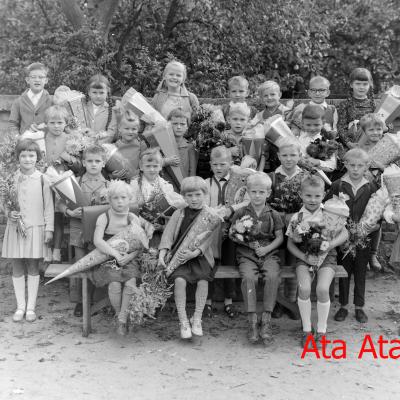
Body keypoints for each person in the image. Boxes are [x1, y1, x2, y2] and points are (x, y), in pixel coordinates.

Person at [287, 174, 348, 347]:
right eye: (308, 195)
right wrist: (304, 257)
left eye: (317, 196)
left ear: (323, 195)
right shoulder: (297, 217)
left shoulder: (329, 213)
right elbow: (291, 244)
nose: (312, 199)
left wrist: (330, 245)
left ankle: (321, 330)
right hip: (304, 257)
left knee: (322, 289)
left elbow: (345, 233)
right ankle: (307, 330)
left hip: (327, 256)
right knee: (304, 288)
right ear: (301, 195)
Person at [158, 177, 221, 339]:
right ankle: (183, 320)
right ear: (184, 196)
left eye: (198, 195)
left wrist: (195, 253)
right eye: (189, 195)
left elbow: (208, 240)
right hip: (179, 256)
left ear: (205, 194)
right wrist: (162, 254)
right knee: (179, 281)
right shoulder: (179, 213)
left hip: (200, 257)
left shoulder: (210, 215)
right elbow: (168, 236)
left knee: (203, 281)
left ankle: (197, 318)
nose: (194, 199)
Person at [2, 139, 54, 322]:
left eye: (31, 155)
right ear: (17, 157)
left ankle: (30, 307)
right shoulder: (11, 178)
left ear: (37, 157)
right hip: (16, 228)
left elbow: (49, 206)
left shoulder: (43, 179)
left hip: (35, 228)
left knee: (33, 265)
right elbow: (4, 202)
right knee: (17, 265)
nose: (27, 159)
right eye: (23, 155)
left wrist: (49, 229)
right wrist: (9, 213)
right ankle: (20, 306)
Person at [229, 172, 284, 344]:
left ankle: (266, 320)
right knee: (248, 278)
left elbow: (279, 238)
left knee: (272, 276)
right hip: (247, 254)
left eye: (261, 192)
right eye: (253, 192)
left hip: (269, 254)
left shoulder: (273, 214)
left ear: (268, 193)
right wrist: (247, 243)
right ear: (248, 192)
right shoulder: (241, 213)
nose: (257, 195)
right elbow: (232, 234)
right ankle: (252, 320)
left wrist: (266, 248)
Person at [325, 148, 378, 324]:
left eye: (360, 166)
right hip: (342, 237)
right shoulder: (337, 185)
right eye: (352, 165)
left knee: (361, 272)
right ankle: (344, 305)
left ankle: (359, 307)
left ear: (366, 166)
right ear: (345, 164)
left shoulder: (371, 187)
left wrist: (373, 227)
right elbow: (327, 208)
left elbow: (377, 210)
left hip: (364, 237)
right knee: (344, 271)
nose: (355, 169)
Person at [93, 180, 154, 335]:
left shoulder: (132, 218)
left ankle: (122, 319)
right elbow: (98, 241)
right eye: (115, 198)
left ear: (130, 199)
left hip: (129, 258)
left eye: (123, 197)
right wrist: (115, 254)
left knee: (130, 283)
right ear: (109, 199)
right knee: (114, 284)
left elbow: (140, 243)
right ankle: (118, 313)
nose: (120, 201)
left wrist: (130, 256)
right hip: (108, 257)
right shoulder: (104, 217)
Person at [58, 144, 109, 317]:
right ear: (84, 163)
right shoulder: (75, 181)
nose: (93, 164)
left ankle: (95, 299)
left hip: (99, 231)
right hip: (78, 229)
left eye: (97, 161)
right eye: (90, 161)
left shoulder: (109, 184)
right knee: (81, 264)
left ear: (103, 163)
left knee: (97, 263)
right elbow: (60, 203)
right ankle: (82, 301)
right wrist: (69, 212)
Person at [204, 146, 250, 319]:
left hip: (232, 230)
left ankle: (229, 301)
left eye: (222, 164)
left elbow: (247, 202)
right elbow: (202, 203)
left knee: (230, 263)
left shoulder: (240, 183)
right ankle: (207, 301)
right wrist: (213, 212)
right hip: (211, 231)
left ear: (230, 163)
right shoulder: (206, 183)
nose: (218, 168)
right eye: (215, 164)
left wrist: (232, 209)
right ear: (210, 164)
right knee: (209, 264)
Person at [268, 139, 305, 318]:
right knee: (279, 265)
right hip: (277, 230)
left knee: (294, 265)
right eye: (284, 155)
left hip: (298, 230)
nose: (289, 159)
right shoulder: (272, 177)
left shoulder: (305, 177)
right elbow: (266, 204)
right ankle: (280, 303)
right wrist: (282, 217)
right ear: (278, 156)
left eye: (293, 155)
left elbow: (311, 203)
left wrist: (297, 217)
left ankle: (291, 301)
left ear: (300, 156)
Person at [43, 105, 81, 262]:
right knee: (46, 216)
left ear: (66, 123)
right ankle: (46, 250)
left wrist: (68, 159)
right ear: (46, 123)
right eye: (52, 123)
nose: (56, 126)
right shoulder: (42, 138)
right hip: (44, 181)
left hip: (62, 182)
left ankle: (57, 251)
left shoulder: (70, 139)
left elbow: (79, 165)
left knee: (58, 216)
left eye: (60, 122)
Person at [130, 148, 186, 247]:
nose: (152, 169)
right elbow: (130, 208)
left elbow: (174, 206)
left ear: (160, 167)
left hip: (162, 228)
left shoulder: (165, 185)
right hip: (142, 228)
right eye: (148, 166)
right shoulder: (135, 184)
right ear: (141, 167)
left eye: (155, 166)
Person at [358, 113, 386, 271]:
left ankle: (373, 254)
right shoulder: (360, 149)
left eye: (378, 129)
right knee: (364, 219)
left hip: (383, 189)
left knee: (377, 222)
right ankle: (361, 253)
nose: (375, 132)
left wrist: (382, 167)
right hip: (365, 189)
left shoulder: (389, 146)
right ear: (364, 131)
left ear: (383, 129)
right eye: (371, 130)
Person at [250, 81, 292, 172]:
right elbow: (252, 128)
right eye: (265, 96)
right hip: (265, 152)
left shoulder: (287, 112)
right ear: (261, 98)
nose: (269, 98)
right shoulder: (259, 115)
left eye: (272, 94)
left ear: (279, 95)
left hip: (285, 149)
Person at [8, 62, 53, 135]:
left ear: (46, 80)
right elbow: (13, 124)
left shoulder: (52, 101)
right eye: (33, 77)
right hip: (25, 141)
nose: (37, 80)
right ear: (27, 80)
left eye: (41, 77)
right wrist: (17, 138)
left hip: (46, 140)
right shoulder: (18, 102)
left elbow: (57, 122)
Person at [337, 68, 375, 151]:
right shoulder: (344, 104)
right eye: (358, 84)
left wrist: (386, 127)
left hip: (370, 145)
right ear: (351, 84)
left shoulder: (374, 105)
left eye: (365, 84)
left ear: (370, 85)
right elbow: (341, 127)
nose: (361, 87)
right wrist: (349, 143)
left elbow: (384, 125)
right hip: (350, 145)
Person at [106, 113, 148, 181]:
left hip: (137, 179)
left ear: (138, 129)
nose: (130, 132)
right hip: (121, 181)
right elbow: (107, 170)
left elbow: (146, 162)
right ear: (120, 129)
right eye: (127, 128)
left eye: (134, 129)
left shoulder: (141, 144)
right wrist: (113, 176)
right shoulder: (114, 147)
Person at [298, 104, 337, 173]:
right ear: (302, 123)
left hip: (320, 176)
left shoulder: (327, 142)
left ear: (323, 123)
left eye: (316, 125)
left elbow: (332, 166)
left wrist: (318, 162)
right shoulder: (298, 140)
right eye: (308, 125)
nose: (312, 128)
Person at [163, 108, 197, 186]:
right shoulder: (162, 144)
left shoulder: (190, 146)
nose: (178, 127)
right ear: (168, 125)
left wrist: (190, 187)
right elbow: (154, 163)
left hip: (183, 186)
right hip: (165, 186)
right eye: (175, 124)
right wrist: (166, 161)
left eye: (182, 124)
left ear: (187, 126)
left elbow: (192, 171)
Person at [84, 74, 117, 144]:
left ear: (107, 92)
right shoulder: (83, 107)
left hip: (101, 147)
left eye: (101, 92)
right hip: (83, 144)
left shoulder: (111, 111)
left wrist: (97, 143)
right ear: (89, 92)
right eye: (94, 92)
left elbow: (111, 133)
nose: (98, 96)